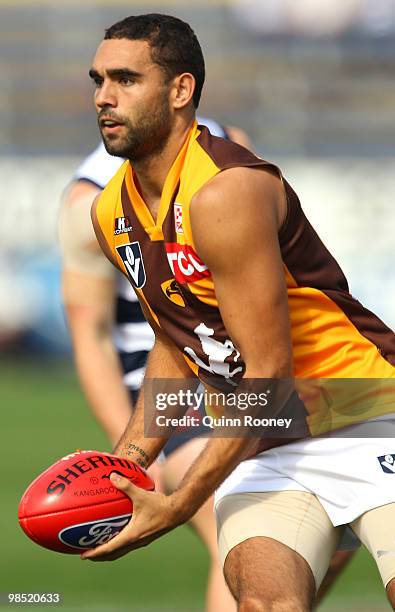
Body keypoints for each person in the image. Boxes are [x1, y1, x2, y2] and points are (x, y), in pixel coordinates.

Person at [74, 13, 395, 610]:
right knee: (263, 605)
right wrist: (127, 463)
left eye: (125, 79)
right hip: (271, 445)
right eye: (97, 80)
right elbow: (177, 341)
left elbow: (269, 376)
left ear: (180, 91)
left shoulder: (226, 189)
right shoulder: (109, 211)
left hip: (369, 411)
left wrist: (178, 503)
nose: (103, 97)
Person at [60, 116, 251, 612]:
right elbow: (92, 334)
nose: (106, 97)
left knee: (322, 531)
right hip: (164, 380)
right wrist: (128, 463)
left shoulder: (228, 146)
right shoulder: (91, 202)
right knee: (237, 519)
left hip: (248, 362)